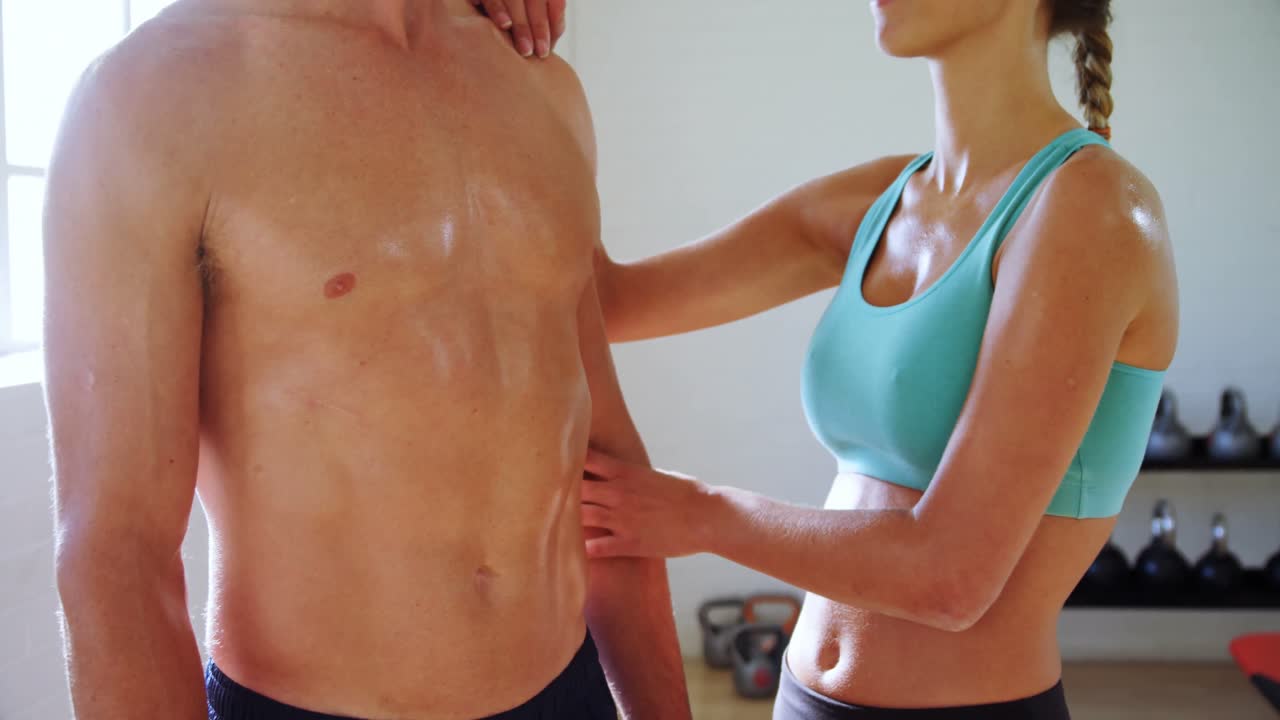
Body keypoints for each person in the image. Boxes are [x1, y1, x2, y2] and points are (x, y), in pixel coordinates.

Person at [43, 2, 690, 719]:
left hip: (569, 690)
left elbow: (609, 472)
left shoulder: (541, 83)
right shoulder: (148, 98)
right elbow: (116, 557)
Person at [573, 0, 1179, 718]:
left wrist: (700, 514)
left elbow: (948, 577)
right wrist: (505, 69)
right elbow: (601, 300)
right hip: (801, 699)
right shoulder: (883, 201)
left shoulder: (1094, 208)